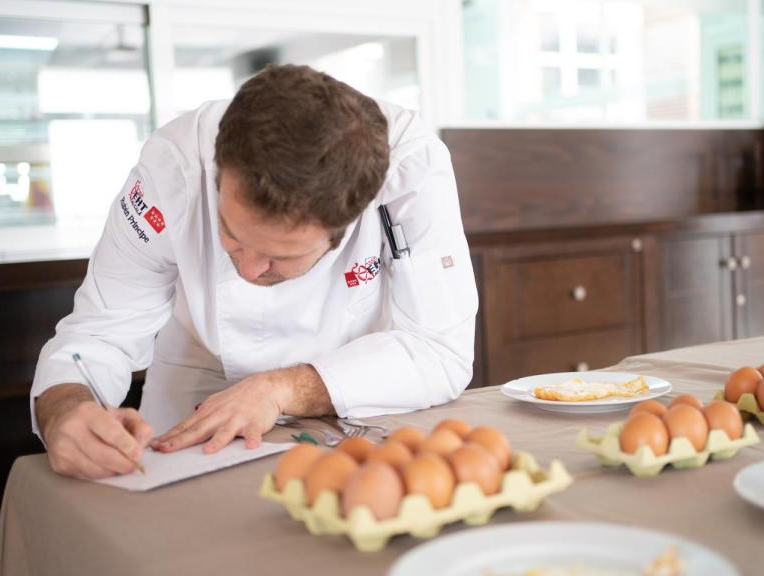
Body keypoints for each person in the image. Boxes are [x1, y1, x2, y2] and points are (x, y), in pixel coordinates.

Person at [31, 64, 478, 479]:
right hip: (197, 382)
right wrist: (64, 406)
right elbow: (100, 329)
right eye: (231, 234)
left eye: (279, 257)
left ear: (346, 227)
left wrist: (281, 389)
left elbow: (440, 351)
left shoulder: (411, 169)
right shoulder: (174, 169)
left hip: (355, 390)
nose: (247, 268)